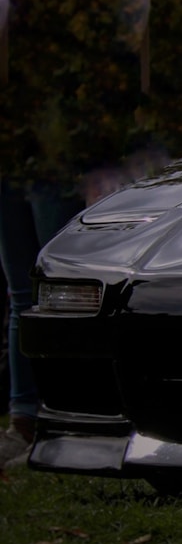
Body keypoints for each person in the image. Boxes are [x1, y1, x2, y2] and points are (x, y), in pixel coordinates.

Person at [0, 177, 84, 466]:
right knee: (22, 295)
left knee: (59, 289)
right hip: (10, 158)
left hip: (49, 158)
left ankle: (67, 422)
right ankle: (23, 423)